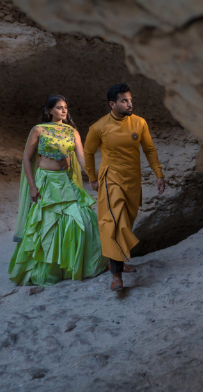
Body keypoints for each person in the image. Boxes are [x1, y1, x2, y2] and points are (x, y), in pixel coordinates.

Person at [8, 95, 107, 286]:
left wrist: (93, 177)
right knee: (47, 225)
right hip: (47, 182)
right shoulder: (38, 130)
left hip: (66, 181)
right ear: (49, 111)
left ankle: (73, 268)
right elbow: (27, 159)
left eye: (65, 107)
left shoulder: (72, 131)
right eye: (59, 107)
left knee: (82, 219)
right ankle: (48, 272)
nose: (63, 111)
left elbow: (81, 158)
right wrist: (32, 186)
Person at [85, 83, 165, 291]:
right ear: (112, 104)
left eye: (130, 100)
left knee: (125, 223)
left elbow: (149, 150)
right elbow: (88, 152)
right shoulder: (99, 127)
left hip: (133, 181)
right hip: (111, 180)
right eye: (124, 101)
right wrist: (93, 178)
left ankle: (117, 260)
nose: (130, 104)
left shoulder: (139, 123)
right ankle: (116, 277)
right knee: (113, 223)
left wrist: (158, 173)